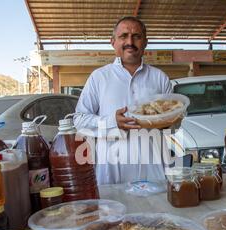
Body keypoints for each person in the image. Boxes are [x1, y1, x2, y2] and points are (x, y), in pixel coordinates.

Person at [74, 16, 173, 185]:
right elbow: (79, 120)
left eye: (136, 36)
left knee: (155, 210)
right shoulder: (99, 77)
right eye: (123, 36)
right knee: (113, 210)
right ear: (113, 42)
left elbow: (174, 122)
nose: (130, 41)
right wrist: (113, 122)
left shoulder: (160, 78)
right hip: (111, 170)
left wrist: (166, 121)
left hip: (153, 167)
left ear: (145, 42)